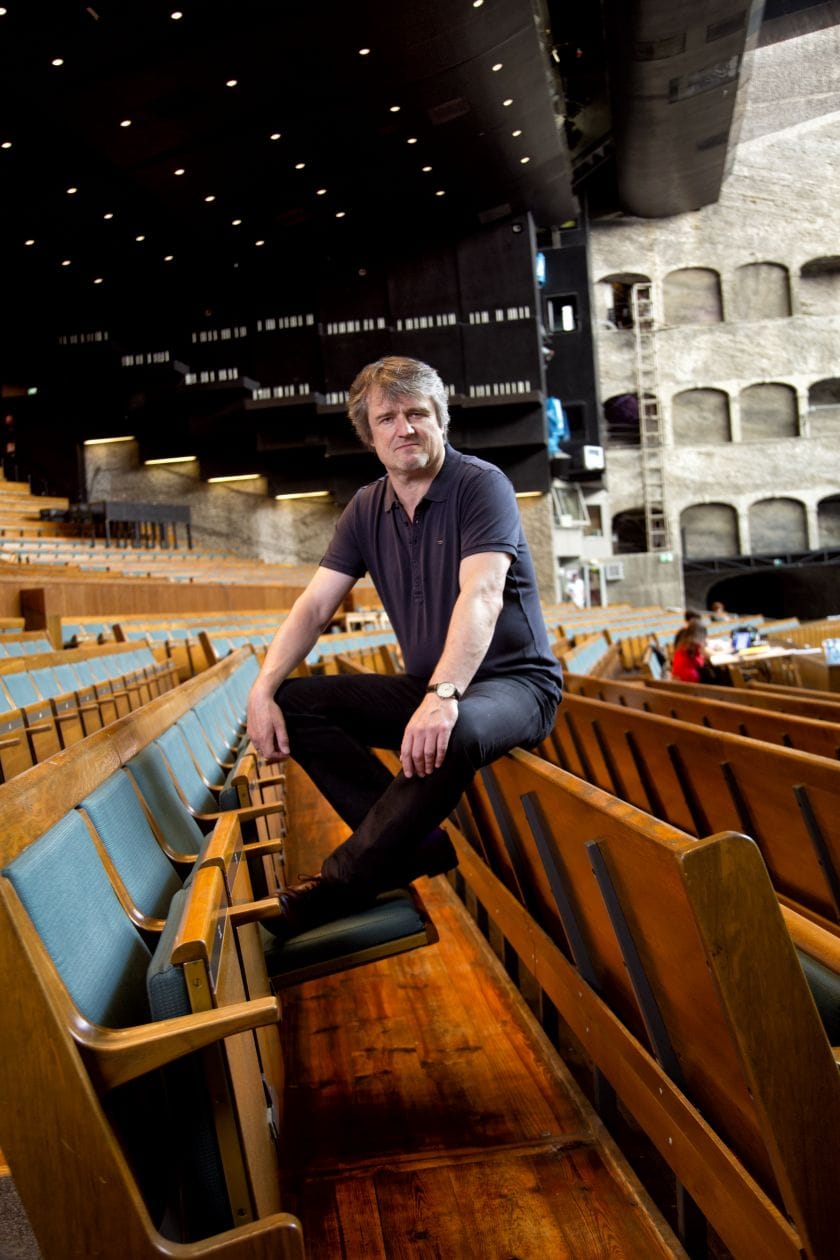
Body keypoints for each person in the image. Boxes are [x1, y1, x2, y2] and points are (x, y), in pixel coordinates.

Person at [246, 356, 564, 939]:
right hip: (431, 686)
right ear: (370, 435)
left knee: (459, 728)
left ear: (440, 419)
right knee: (295, 703)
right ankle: (411, 846)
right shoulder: (367, 507)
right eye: (387, 418)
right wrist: (262, 688)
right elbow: (315, 607)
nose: (404, 428)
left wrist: (444, 694)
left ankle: (344, 879)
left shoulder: (480, 484)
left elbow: (483, 593)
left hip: (517, 685)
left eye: (417, 413)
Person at [670, 618, 708, 683]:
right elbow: (700, 663)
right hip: (689, 679)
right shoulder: (693, 644)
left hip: (678, 677)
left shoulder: (683, 640)